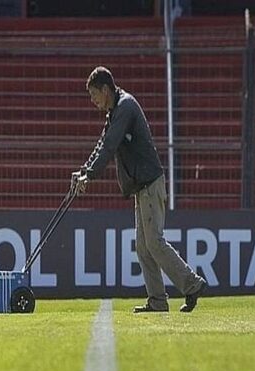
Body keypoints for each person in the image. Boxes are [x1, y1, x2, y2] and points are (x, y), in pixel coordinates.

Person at [74, 66, 207, 313]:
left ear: (105, 89)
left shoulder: (125, 108)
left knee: (154, 242)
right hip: (142, 187)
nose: (93, 101)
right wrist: (83, 170)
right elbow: (102, 144)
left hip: (149, 185)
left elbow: (109, 145)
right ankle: (157, 301)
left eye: (94, 95)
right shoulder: (115, 112)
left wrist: (89, 175)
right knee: (144, 247)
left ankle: (192, 284)